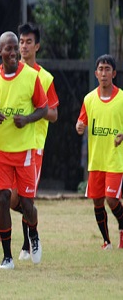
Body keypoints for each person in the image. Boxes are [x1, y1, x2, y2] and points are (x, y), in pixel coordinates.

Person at [0, 31, 48, 269]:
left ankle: (34, 234)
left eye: (14, 48)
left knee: (28, 205)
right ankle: (7, 257)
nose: (12, 53)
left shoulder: (31, 76)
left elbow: (44, 108)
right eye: (7, 49)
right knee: (3, 199)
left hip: (25, 151)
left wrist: (28, 119)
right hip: (0, 151)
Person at [16, 22, 59, 260]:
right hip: (9, 144)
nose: (24, 46)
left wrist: (37, 109)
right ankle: (30, 235)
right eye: (21, 42)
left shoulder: (44, 78)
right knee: (11, 197)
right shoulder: (10, 73)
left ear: (37, 46)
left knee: (26, 196)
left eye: (28, 42)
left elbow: (53, 114)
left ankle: (28, 242)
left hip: (33, 144)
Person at [76, 54, 123, 250]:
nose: (104, 73)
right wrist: (79, 126)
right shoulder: (89, 99)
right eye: (100, 69)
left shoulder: (121, 98)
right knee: (97, 201)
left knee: (112, 199)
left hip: (115, 160)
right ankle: (106, 241)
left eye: (107, 69)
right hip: (96, 161)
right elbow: (82, 121)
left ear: (114, 73)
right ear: (96, 74)